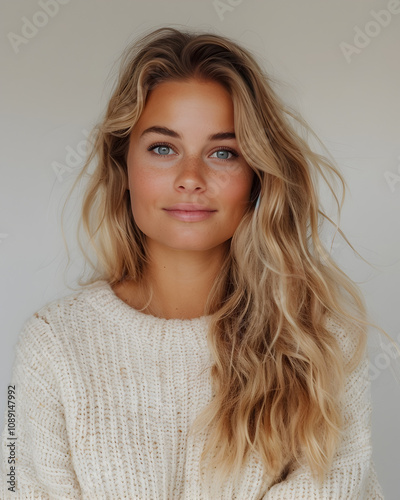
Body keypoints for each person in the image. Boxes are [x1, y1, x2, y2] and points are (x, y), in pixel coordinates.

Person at [0, 25, 386, 499]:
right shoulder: (52, 343)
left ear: (257, 177)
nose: (190, 178)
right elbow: (18, 486)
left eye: (223, 152)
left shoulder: (319, 340)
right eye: (163, 148)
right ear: (124, 168)